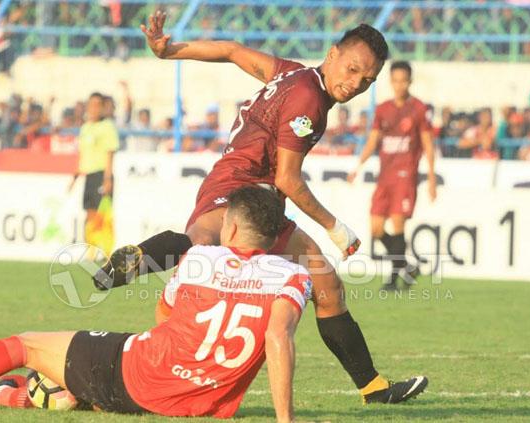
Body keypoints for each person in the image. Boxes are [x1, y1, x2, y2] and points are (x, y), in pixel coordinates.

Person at [100, 11, 427, 404]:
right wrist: (335, 226)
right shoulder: (309, 101)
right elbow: (289, 179)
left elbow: (233, 51)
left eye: (367, 80)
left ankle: (141, 258)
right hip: (251, 189)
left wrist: (168, 51)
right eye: (353, 69)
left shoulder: (292, 73)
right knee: (316, 280)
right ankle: (372, 387)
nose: (355, 84)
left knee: (207, 244)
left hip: (228, 182)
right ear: (333, 53)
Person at [0, 187, 328, 421]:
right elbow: (277, 338)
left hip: (143, 375)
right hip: (202, 404)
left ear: (228, 228)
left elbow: (165, 317)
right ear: (274, 236)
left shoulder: (200, 258)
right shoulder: (292, 276)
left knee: (25, 344)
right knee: (82, 376)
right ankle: (11, 395)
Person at [347, 61, 436, 291]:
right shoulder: (383, 109)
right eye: (395, 81)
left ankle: (393, 280)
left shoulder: (418, 109)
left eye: (403, 81)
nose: (399, 85)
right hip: (384, 177)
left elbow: (427, 145)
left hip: (405, 176)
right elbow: (373, 141)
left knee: (398, 225)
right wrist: (358, 166)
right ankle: (407, 266)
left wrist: (432, 179)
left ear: (410, 81)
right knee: (375, 229)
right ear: (391, 82)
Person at [69, 92, 119, 251]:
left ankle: (104, 250)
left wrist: (108, 178)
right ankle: (90, 249)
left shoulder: (107, 127)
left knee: (102, 214)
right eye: (91, 105)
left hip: (101, 174)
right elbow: (83, 155)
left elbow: (109, 153)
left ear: (103, 108)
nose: (93, 109)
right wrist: (75, 177)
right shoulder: (85, 128)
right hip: (88, 175)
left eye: (98, 105)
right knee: (89, 212)